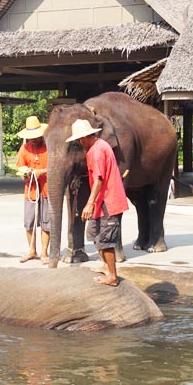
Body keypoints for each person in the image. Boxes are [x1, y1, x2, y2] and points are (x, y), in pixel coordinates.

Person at [66, 119, 128, 286]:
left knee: (105, 239)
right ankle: (106, 265)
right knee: (94, 233)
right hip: (101, 200)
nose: (80, 143)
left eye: (79, 140)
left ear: (84, 137)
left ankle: (112, 276)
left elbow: (99, 179)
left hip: (108, 200)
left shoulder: (97, 151)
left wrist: (89, 203)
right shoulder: (98, 146)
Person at [16, 116, 50, 264]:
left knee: (46, 221)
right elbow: (19, 167)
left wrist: (41, 171)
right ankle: (32, 250)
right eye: (31, 137)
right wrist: (26, 173)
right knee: (29, 221)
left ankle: (44, 253)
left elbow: (55, 167)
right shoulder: (24, 149)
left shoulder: (49, 147)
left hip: (47, 188)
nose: (34, 140)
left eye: (36, 137)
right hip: (31, 190)